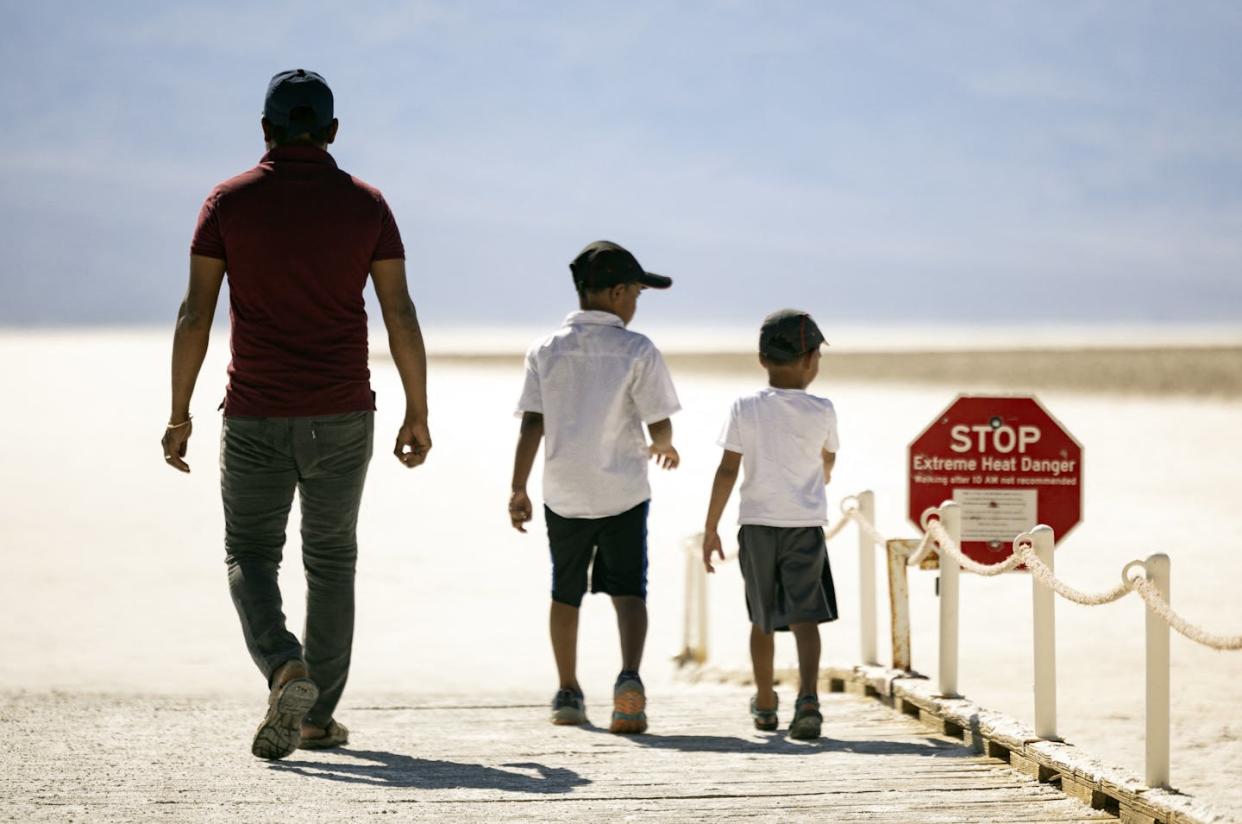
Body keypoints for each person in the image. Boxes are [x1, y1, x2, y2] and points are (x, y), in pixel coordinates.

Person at [161, 69, 432, 760]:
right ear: (333, 131)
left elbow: (197, 312)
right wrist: (417, 410)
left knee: (250, 553)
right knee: (332, 560)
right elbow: (398, 310)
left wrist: (179, 410)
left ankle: (286, 668)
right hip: (343, 410)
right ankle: (316, 718)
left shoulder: (228, 202)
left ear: (265, 129)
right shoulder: (367, 205)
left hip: (254, 410)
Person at [508, 240, 681, 734]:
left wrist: (517, 487)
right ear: (619, 292)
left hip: (563, 492)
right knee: (629, 591)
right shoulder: (637, 349)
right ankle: (629, 680)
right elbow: (659, 421)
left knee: (565, 592)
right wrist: (665, 445)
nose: (635, 305)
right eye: (637, 296)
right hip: (624, 490)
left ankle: (567, 691)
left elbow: (531, 425)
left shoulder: (545, 349)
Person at [701, 309, 840, 740]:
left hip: (757, 527)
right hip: (804, 526)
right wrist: (821, 473)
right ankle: (809, 700)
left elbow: (727, 470)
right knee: (805, 617)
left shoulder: (744, 408)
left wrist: (711, 528)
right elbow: (828, 459)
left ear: (762, 359)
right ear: (811, 360)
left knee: (761, 617)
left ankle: (764, 701)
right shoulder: (822, 409)